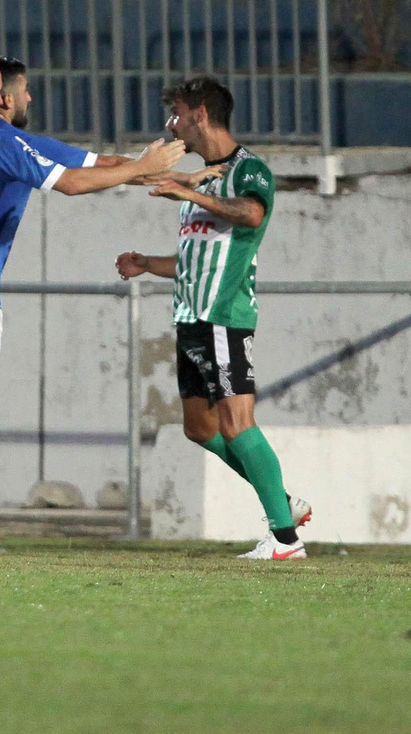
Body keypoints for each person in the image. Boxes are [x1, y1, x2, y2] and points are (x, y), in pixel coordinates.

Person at [0, 49, 185, 552]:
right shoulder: (0, 138)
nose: (8, 100)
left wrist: (160, 175)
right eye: (1, 93)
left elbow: (91, 165)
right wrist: (144, 167)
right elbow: (77, 180)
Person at [116, 75, 312, 560]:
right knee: (199, 428)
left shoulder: (248, 169)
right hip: (191, 317)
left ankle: (285, 539)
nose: (171, 123)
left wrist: (190, 194)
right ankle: (283, 504)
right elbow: (196, 259)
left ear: (200, 115)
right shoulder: (201, 175)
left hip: (224, 316)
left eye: (177, 114)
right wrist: (148, 264)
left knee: (237, 422)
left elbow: (249, 215)